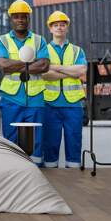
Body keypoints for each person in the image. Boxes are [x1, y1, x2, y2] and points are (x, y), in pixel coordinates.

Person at [0, 0, 50, 166]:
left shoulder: (39, 40)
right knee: (10, 140)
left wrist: (15, 64)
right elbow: (3, 66)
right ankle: (14, 170)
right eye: (16, 17)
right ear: (11, 19)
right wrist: (30, 62)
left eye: (23, 17)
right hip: (11, 99)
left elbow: (45, 65)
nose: (20, 20)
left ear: (29, 19)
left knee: (37, 140)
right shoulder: (3, 40)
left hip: (35, 98)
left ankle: (37, 171)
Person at [42, 11, 87, 168]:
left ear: (67, 28)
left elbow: (80, 71)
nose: (59, 28)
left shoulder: (77, 51)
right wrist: (69, 72)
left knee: (74, 142)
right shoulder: (44, 50)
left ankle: (74, 179)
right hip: (50, 104)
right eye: (56, 25)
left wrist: (55, 68)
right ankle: (53, 179)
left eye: (62, 25)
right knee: (50, 143)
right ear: (50, 29)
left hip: (73, 104)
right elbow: (44, 74)